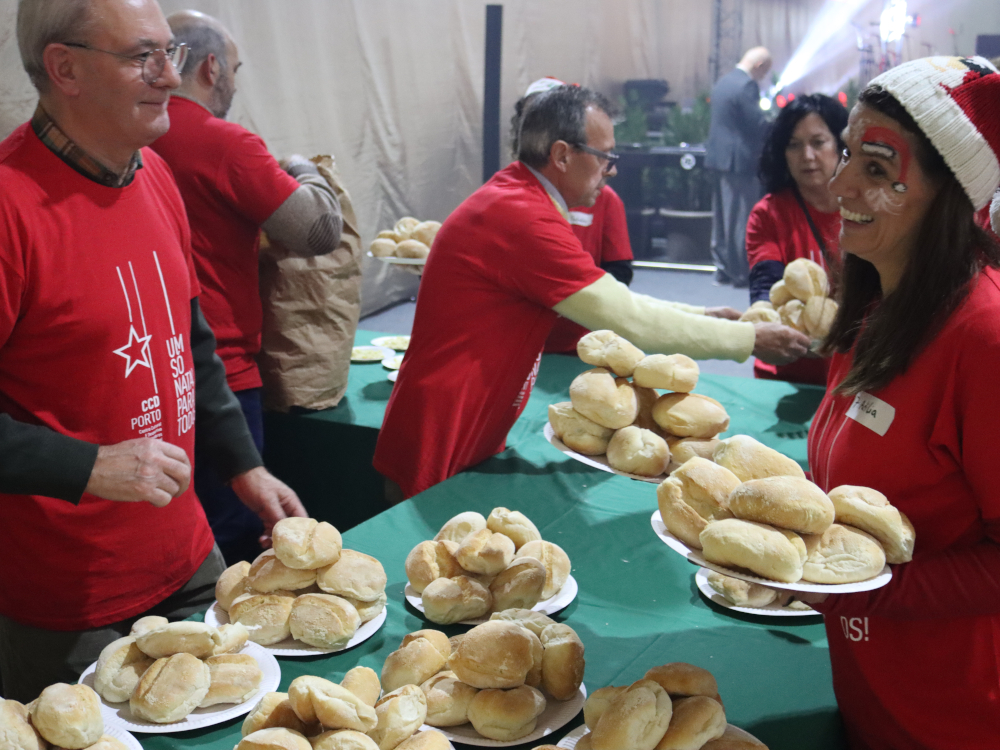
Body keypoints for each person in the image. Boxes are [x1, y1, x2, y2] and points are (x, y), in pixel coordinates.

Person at [0, 0, 306, 700]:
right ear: (64, 68)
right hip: (68, 602)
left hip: (188, 558)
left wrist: (244, 467)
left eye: (169, 52)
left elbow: (189, 340)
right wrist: (88, 464)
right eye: (144, 56)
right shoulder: (10, 206)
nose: (170, 76)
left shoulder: (153, 174)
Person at [373, 84, 810, 500]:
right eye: (605, 156)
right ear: (562, 155)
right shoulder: (522, 216)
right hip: (446, 419)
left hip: (465, 411)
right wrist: (750, 340)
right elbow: (627, 317)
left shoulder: (520, 199)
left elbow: (611, 296)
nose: (613, 169)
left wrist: (706, 317)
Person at [801, 56, 1000, 748]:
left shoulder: (983, 340)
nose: (841, 181)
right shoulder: (875, 303)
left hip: (951, 718)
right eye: (850, 151)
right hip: (866, 694)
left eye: (879, 170)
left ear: (948, 201)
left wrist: (858, 586)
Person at [150, 10, 342, 565]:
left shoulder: (135, 147)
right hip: (223, 376)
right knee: (234, 538)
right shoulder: (226, 144)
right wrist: (304, 169)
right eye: (234, 68)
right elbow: (318, 230)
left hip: (153, 376)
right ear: (211, 68)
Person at [512, 78, 641, 355]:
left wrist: (581, 300)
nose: (611, 170)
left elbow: (619, 273)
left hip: (578, 344)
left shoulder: (603, 199)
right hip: (521, 344)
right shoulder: (517, 203)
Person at [746, 94, 848, 384]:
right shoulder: (769, 214)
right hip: (789, 374)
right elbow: (767, 287)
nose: (807, 156)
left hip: (854, 378)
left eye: (818, 142)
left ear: (842, 147)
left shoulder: (869, 207)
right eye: (794, 145)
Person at [705, 46, 773, 287]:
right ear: (759, 66)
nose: (763, 78)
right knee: (740, 219)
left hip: (719, 159)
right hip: (739, 163)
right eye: (765, 72)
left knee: (722, 220)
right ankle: (741, 273)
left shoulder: (723, 82)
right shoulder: (746, 85)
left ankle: (723, 269)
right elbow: (756, 124)